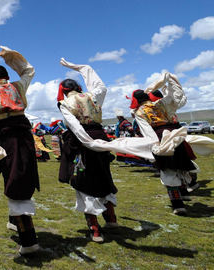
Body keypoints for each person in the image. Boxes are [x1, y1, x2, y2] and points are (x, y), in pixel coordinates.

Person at [0, 47, 40, 255]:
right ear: (6, 76)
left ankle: (29, 240)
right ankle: (14, 221)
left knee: (13, 180)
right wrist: (13, 57)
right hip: (24, 136)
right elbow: (29, 71)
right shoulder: (18, 86)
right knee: (22, 175)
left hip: (6, 138)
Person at [57, 59, 118, 243]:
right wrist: (81, 68)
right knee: (103, 175)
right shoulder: (92, 96)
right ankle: (111, 219)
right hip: (100, 138)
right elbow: (102, 86)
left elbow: (75, 126)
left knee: (83, 180)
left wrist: (87, 142)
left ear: (65, 91)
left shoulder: (66, 103)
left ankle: (95, 229)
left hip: (83, 142)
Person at [129, 72, 195, 215]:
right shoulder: (160, 103)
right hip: (175, 135)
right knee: (180, 166)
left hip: (161, 137)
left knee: (167, 171)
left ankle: (178, 205)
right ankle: (185, 193)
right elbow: (174, 99)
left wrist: (155, 146)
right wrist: (170, 82)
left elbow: (147, 131)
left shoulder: (140, 112)